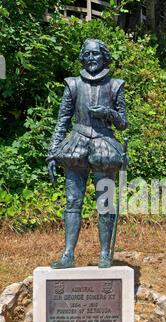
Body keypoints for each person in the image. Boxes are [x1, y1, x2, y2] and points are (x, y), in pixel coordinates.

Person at [47, 39, 128, 269]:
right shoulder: (72, 84)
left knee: (104, 203)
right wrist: (52, 152)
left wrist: (109, 113)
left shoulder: (115, 85)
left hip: (105, 146)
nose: (92, 58)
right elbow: (62, 121)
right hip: (77, 144)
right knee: (73, 201)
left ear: (104, 57)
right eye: (88, 54)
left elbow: (123, 124)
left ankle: (104, 253)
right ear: (83, 57)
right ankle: (68, 254)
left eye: (96, 54)